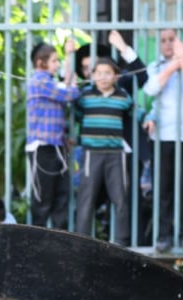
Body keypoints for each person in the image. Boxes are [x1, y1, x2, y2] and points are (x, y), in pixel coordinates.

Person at [143, 30, 183, 252]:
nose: (168, 44)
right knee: (162, 188)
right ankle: (163, 235)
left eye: (172, 39)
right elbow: (150, 89)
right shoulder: (154, 66)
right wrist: (171, 67)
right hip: (162, 136)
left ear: (180, 41)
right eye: (163, 40)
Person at [75, 57, 133, 244]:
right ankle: (81, 241)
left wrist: (148, 119)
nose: (102, 77)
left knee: (121, 199)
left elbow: (134, 113)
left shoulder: (122, 96)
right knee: (86, 198)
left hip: (116, 155)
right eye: (98, 73)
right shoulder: (85, 96)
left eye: (107, 73)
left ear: (116, 76)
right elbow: (76, 115)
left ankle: (122, 242)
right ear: (92, 76)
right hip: (92, 153)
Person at [26, 39, 79, 229]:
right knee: (43, 198)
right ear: (41, 62)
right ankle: (36, 239)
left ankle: (58, 237)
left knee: (60, 196)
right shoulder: (40, 81)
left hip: (56, 146)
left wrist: (69, 57)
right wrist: (71, 83)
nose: (57, 65)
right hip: (43, 148)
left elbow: (67, 86)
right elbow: (70, 93)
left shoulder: (49, 82)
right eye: (55, 61)